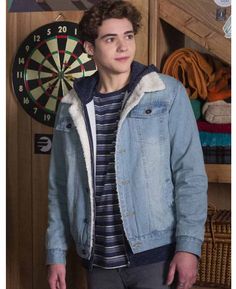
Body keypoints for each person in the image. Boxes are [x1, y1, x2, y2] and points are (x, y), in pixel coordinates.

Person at [46, 1, 208, 289]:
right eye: (111, 38)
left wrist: (188, 247)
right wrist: (56, 254)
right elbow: (59, 187)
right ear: (89, 48)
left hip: (156, 258)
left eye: (128, 36)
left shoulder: (166, 93)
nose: (123, 46)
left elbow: (190, 176)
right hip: (98, 261)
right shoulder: (70, 106)